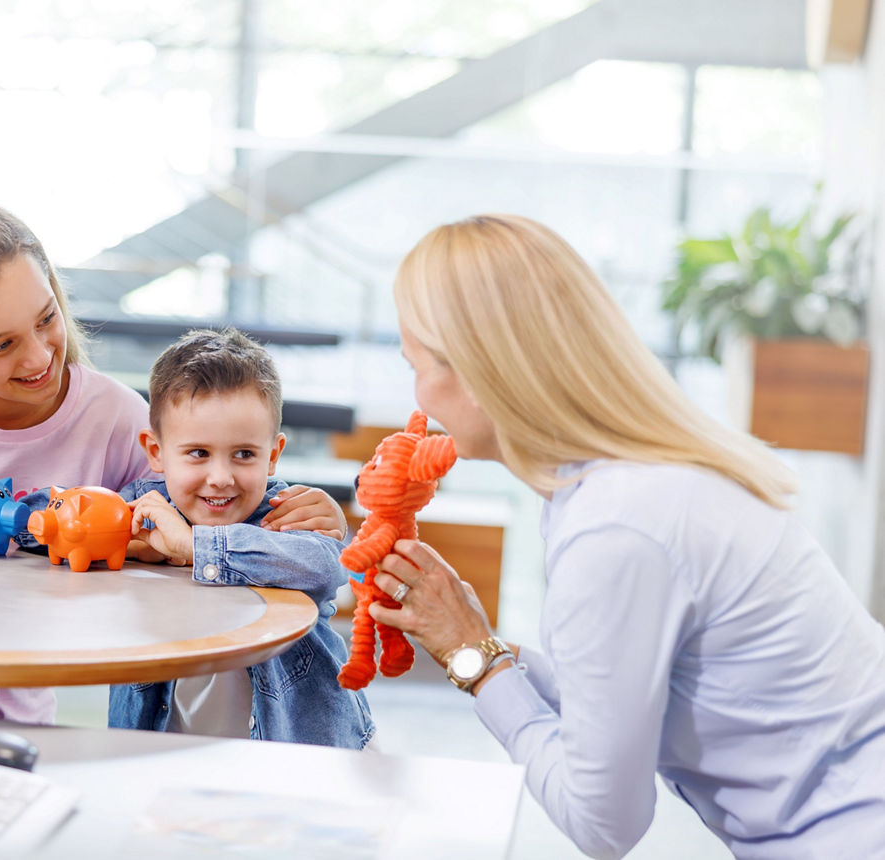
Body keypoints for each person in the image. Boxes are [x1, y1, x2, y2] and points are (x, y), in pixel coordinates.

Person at [368, 214, 885, 858]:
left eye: (414, 363)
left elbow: (603, 823)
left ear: (478, 374)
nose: (416, 397)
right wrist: (480, 641)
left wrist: (472, 661)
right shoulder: (630, 480)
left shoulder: (615, 530)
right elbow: (616, 690)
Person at [0, 198, 345, 722]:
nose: (38, 356)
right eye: (0, 345)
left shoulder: (113, 417)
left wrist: (303, 517)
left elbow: (214, 503)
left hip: (19, 712)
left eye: (46, 319)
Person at [104, 327, 374, 748]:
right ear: (156, 452)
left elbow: (325, 566)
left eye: (244, 454)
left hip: (297, 757)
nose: (221, 478)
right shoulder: (142, 511)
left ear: (273, 455)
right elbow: (62, 520)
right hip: (167, 747)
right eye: (198, 453)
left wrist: (192, 547)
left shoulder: (285, 514)